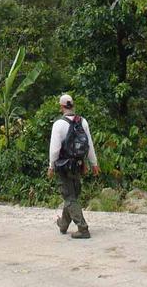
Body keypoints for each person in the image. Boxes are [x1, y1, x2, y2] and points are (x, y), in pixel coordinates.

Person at [48, 94, 99, 239]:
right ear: (73, 105)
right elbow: (89, 145)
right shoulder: (82, 121)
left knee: (69, 196)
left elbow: (55, 150)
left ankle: (83, 229)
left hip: (63, 166)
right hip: (78, 164)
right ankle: (63, 224)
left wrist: (51, 166)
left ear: (61, 107)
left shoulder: (59, 124)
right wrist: (93, 163)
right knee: (72, 196)